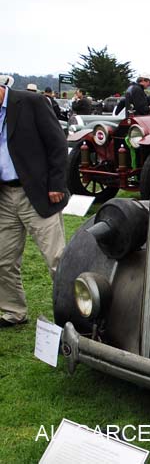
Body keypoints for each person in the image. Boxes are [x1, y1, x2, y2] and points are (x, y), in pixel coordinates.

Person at [0, 82, 69, 327]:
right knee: (3, 259)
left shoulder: (32, 102)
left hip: (39, 194)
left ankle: (74, 319)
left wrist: (57, 185)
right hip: (5, 196)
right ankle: (13, 312)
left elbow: (58, 145)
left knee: (58, 260)